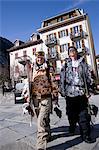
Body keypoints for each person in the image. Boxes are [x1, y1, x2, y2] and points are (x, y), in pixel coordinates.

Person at [23, 50, 58, 150]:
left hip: (46, 97)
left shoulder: (48, 68)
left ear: (44, 58)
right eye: (38, 57)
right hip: (35, 98)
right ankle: (48, 134)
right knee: (42, 119)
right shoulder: (32, 68)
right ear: (36, 58)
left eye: (41, 57)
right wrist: (27, 96)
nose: (39, 59)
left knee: (40, 122)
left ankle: (41, 146)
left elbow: (54, 82)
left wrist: (55, 97)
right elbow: (29, 82)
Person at [60, 46, 95, 143]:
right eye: (70, 51)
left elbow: (88, 76)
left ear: (76, 52)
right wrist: (62, 90)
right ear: (68, 53)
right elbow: (62, 78)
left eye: (73, 50)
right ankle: (72, 126)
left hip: (81, 92)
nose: (72, 52)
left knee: (83, 114)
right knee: (71, 113)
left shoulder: (82, 63)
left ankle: (85, 135)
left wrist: (90, 89)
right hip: (70, 92)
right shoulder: (66, 64)